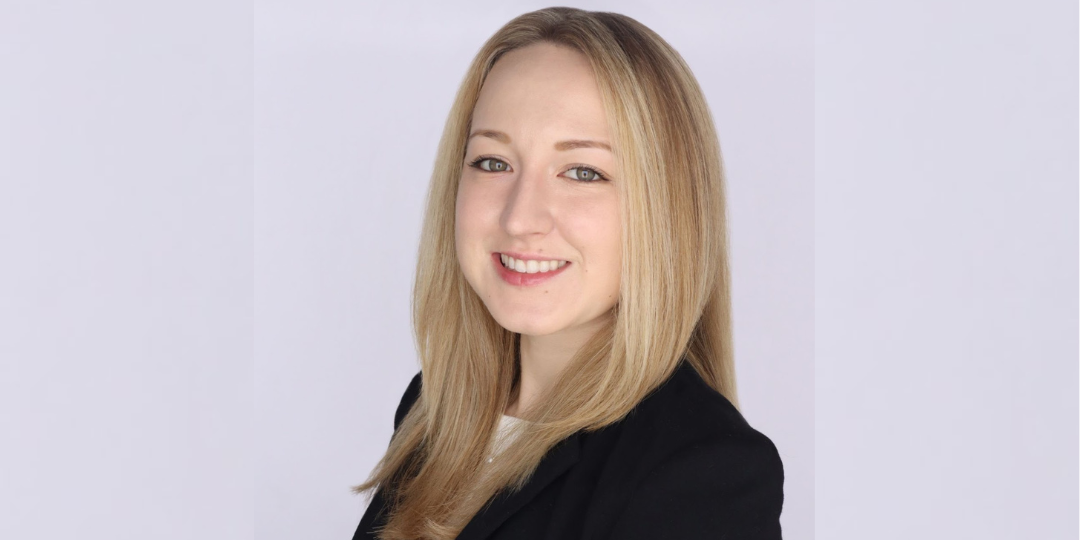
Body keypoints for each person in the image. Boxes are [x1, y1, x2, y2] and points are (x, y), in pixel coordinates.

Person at [352, 7, 784, 540]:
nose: (520, 218)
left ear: (668, 210)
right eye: (492, 162)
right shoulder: (434, 409)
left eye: (583, 172)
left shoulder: (705, 475)